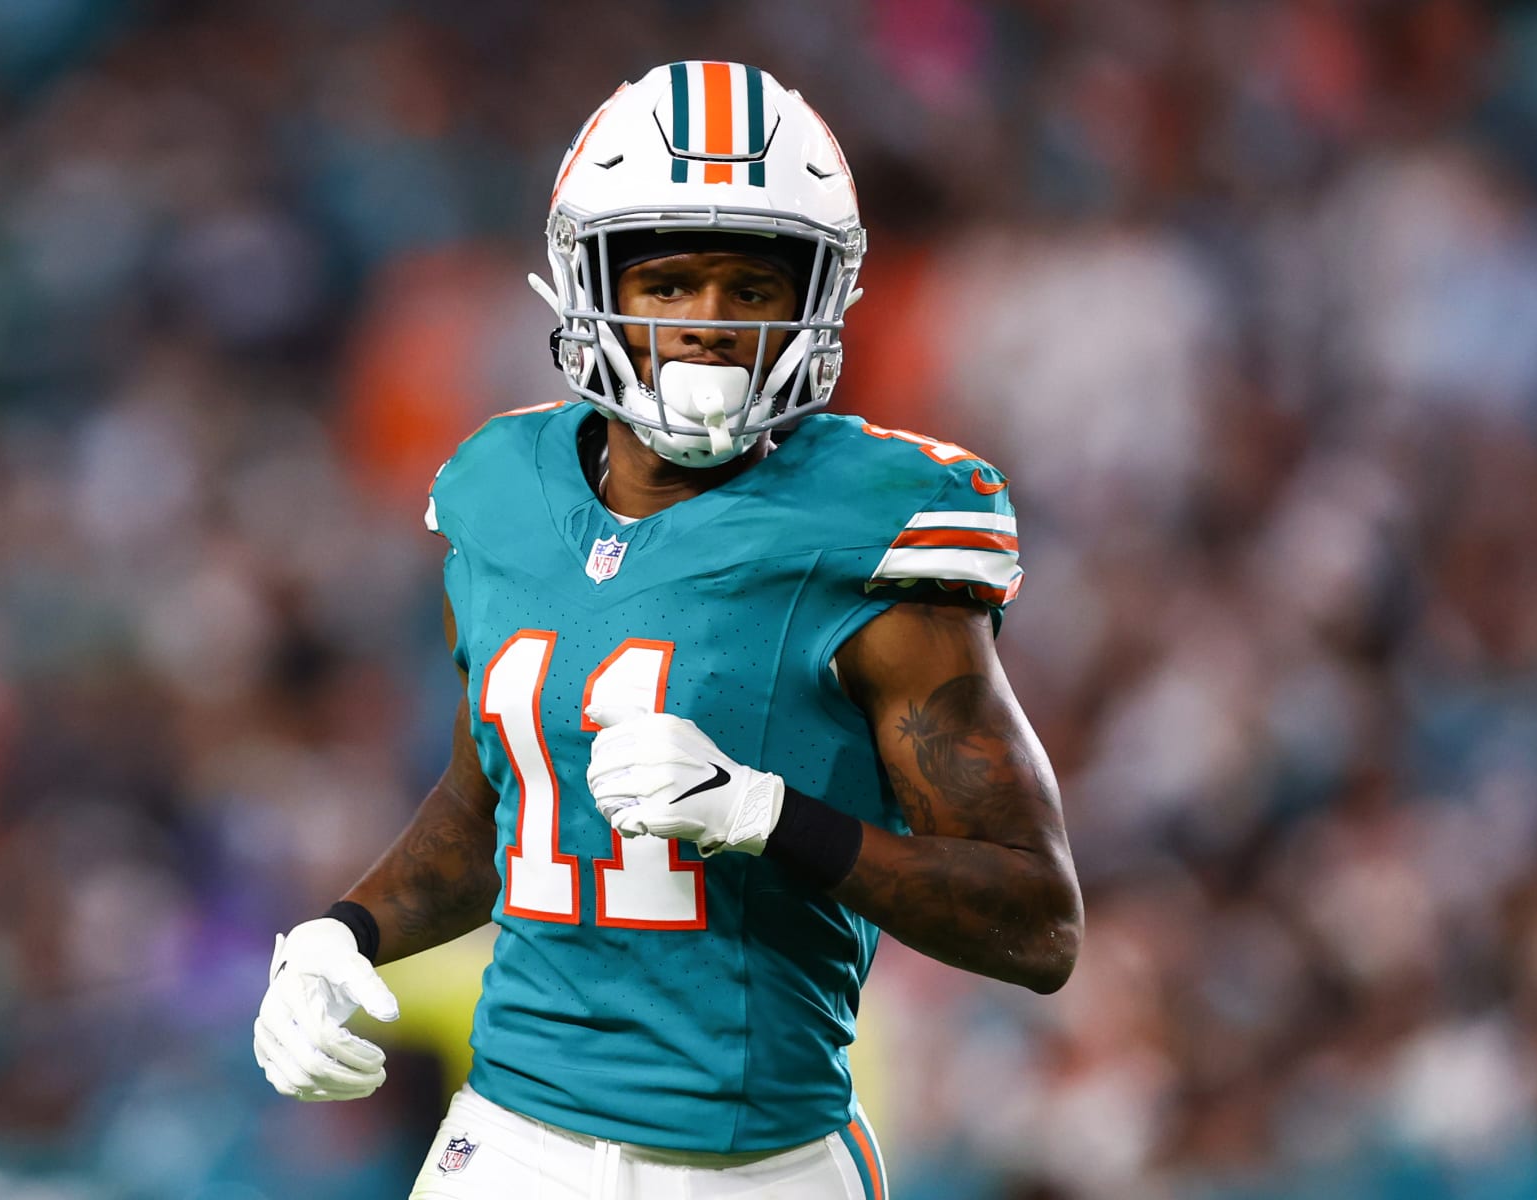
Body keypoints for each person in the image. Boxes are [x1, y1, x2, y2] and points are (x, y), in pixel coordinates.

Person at [253, 60, 1082, 1199]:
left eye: (750, 288)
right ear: (590, 280)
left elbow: (1036, 924)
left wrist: (769, 815)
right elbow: (496, 797)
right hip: (507, 1142)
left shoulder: (876, 527)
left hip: (758, 1166)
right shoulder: (503, 487)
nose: (709, 325)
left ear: (817, 297)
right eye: (673, 282)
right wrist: (344, 930)